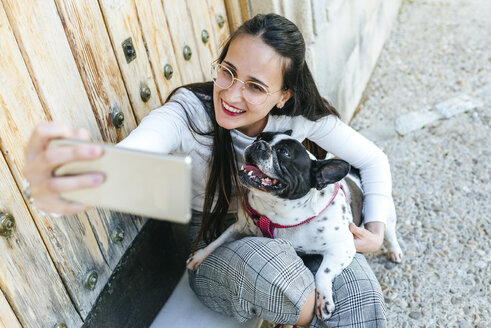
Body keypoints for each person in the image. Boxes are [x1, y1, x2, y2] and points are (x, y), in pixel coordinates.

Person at [23, 13, 391, 327]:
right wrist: (80, 171)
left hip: (297, 235)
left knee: (360, 293)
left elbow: (373, 160)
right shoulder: (189, 114)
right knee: (277, 268)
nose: (230, 95)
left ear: (283, 96)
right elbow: (134, 151)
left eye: (255, 87)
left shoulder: (299, 123)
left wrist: (375, 230)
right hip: (219, 249)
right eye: (227, 72)